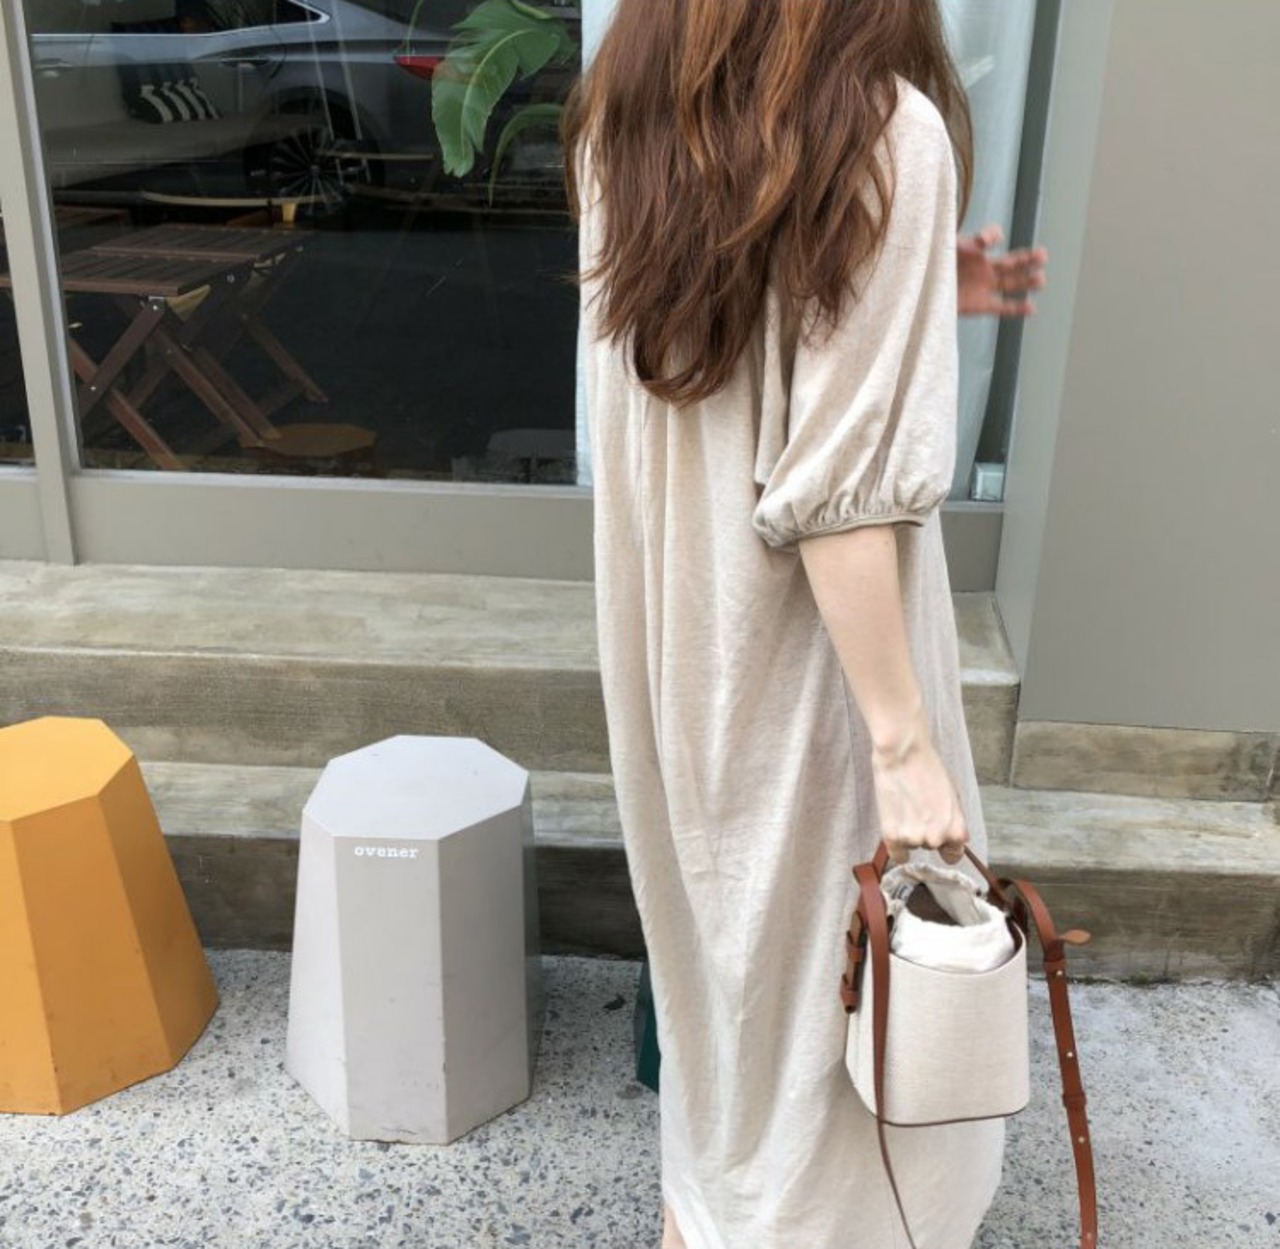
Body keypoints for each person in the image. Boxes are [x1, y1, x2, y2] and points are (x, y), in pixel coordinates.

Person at [563, 3, 1046, 1247]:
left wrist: (915, 290)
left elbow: (715, 329)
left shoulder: (635, 103)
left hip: (681, 640)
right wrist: (902, 739)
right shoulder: (882, 135)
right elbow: (838, 497)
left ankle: (705, 1215)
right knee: (836, 986)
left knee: (725, 972)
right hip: (808, 658)